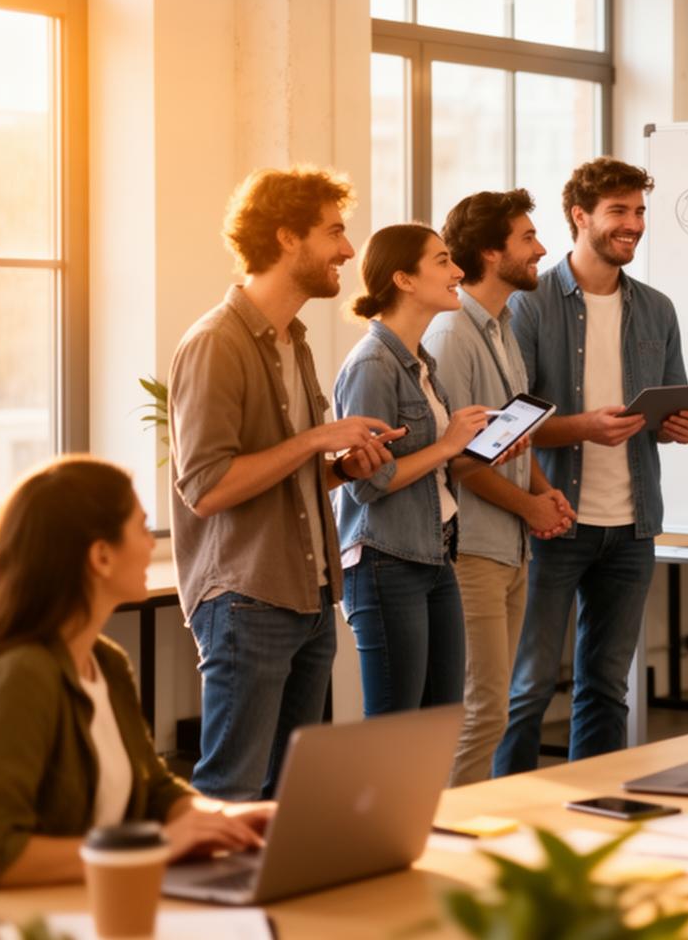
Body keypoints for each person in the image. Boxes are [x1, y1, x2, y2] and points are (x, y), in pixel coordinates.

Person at [0, 458, 272, 889]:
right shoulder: (19, 675)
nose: (151, 543)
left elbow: (153, 789)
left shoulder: (105, 662)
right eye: (140, 526)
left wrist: (233, 818)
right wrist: (159, 844)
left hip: (94, 904)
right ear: (100, 556)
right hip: (18, 923)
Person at [169, 166, 401, 800]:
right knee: (229, 794)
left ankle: (271, 905)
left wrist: (338, 467)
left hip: (308, 596)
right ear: (286, 237)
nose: (349, 251)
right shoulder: (215, 343)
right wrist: (315, 441)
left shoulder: (294, 341)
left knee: (287, 798)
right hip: (247, 598)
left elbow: (284, 471)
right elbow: (207, 487)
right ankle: (207, 904)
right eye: (334, 232)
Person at [493, 157, 688, 775]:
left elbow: (669, 406)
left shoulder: (658, 309)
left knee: (607, 689)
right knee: (526, 690)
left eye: (639, 211)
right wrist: (582, 427)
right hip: (553, 520)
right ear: (580, 217)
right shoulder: (529, 307)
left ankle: (595, 812)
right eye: (619, 211)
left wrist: (678, 427)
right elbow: (509, 424)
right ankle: (507, 818)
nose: (633, 224)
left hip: (633, 526)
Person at [425, 191, 577, 785]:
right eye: (527, 239)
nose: (541, 249)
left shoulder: (505, 326)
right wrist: (530, 507)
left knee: (494, 709)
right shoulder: (451, 333)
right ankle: (448, 838)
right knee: (481, 711)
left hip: (511, 545)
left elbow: (516, 431)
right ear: (491, 252)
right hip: (473, 550)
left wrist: (543, 492)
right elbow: (460, 460)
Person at [334, 224, 495, 718]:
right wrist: (448, 445)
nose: (459, 272)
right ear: (403, 279)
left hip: (432, 553)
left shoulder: (420, 362)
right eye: (443, 261)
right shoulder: (372, 365)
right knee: (395, 728)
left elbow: (429, 466)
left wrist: (476, 450)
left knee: (441, 719)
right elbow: (368, 482)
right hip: (386, 562)